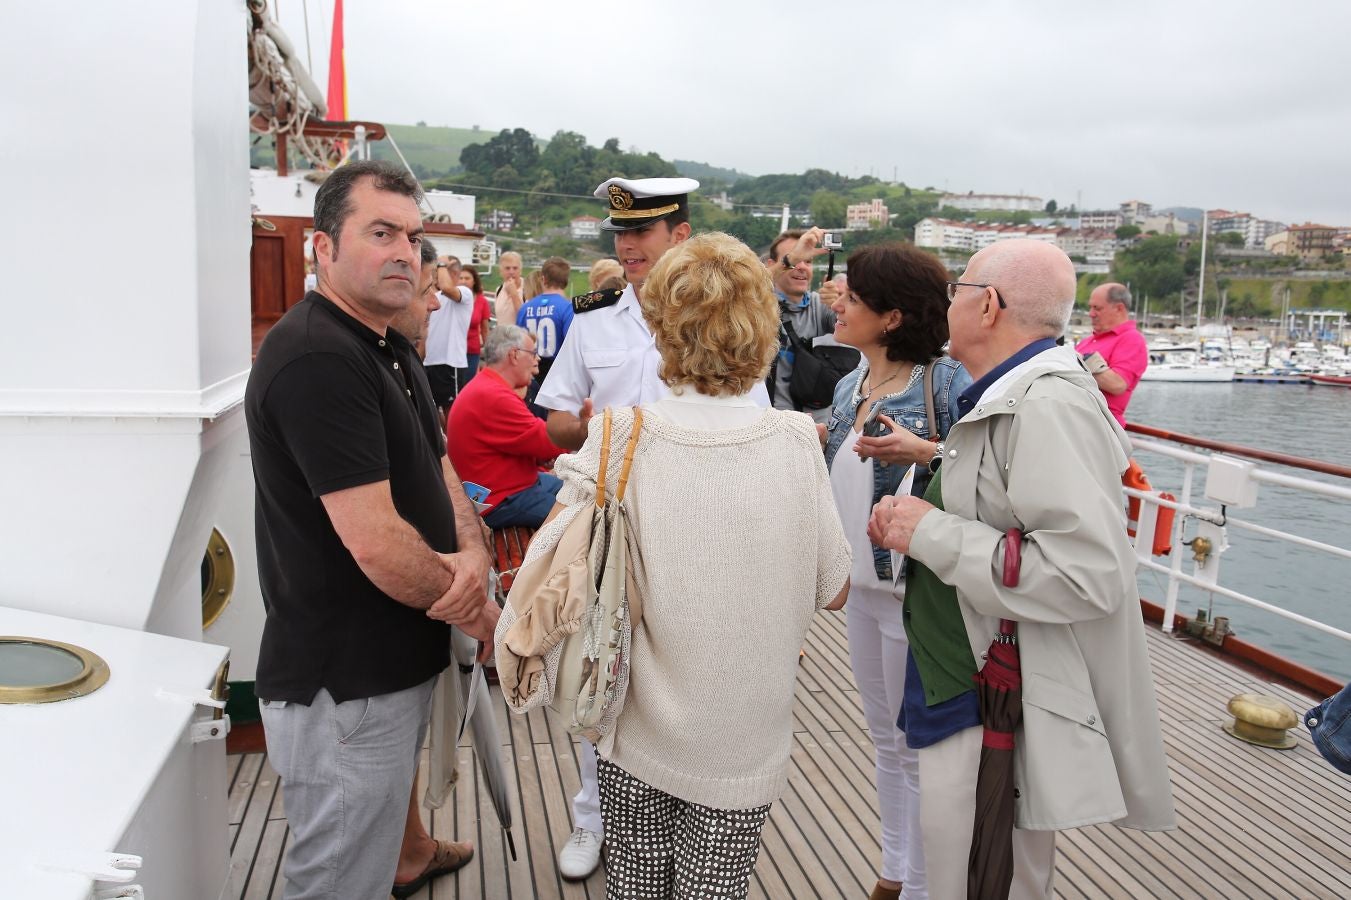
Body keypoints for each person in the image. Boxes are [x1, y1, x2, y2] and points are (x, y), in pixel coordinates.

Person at [541, 232, 851, 898]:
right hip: (743, 736)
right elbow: (834, 588)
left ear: (661, 330)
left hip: (634, 726)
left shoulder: (617, 435)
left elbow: (562, 570)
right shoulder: (795, 441)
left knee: (635, 884)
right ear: (763, 330)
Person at [867, 239, 1176, 899]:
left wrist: (930, 532)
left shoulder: (1046, 405)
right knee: (962, 867)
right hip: (967, 679)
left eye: (958, 288)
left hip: (992, 696)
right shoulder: (1009, 395)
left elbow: (1084, 572)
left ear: (989, 306)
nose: (948, 301)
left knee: (986, 878)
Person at [245, 160, 499, 899]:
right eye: (380, 233)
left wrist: (472, 555)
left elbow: (438, 463)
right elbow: (377, 544)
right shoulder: (320, 359)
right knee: (335, 881)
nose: (404, 253)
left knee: (369, 844)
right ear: (322, 249)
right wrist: (478, 609)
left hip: (385, 665)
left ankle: (409, 853)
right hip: (343, 686)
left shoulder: (383, 343)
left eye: (414, 238)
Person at [533, 175, 771, 880]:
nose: (627, 245)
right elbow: (555, 418)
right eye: (620, 234)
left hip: (695, 527)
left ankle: (666, 804)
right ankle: (591, 818)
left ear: (678, 236)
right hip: (611, 519)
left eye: (641, 232)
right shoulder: (593, 316)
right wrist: (606, 429)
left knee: (681, 674)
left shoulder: (715, 317)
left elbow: (751, 420)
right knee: (594, 667)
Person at [821, 244, 971, 900]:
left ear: (889, 317)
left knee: (915, 746)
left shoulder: (943, 385)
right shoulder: (845, 386)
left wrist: (926, 448)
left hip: (918, 594)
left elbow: (988, 471)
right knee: (883, 738)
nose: (838, 302)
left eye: (852, 296)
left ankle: (916, 885)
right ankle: (893, 870)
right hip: (861, 590)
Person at [446, 325, 568, 529]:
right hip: (502, 500)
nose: (537, 360)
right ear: (514, 355)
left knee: (578, 491)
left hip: (507, 489)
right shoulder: (493, 395)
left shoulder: (486, 386)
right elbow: (548, 440)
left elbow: (527, 442)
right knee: (582, 515)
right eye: (533, 353)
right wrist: (581, 428)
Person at [765, 227, 842, 424]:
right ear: (773, 265)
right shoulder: (756, 306)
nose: (801, 266)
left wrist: (841, 303)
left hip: (815, 428)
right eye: (794, 259)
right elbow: (739, 290)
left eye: (807, 261)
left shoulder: (820, 305)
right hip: (771, 424)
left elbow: (855, 327)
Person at [1075, 282, 1148, 425]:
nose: (1091, 313)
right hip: (1075, 423)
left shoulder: (1132, 339)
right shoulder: (1088, 341)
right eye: (1090, 307)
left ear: (1119, 308)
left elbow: (1117, 384)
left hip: (1098, 429)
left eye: (1097, 308)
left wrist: (1079, 362)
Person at [424, 255, 474, 412]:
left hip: (450, 362)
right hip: (430, 361)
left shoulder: (465, 293)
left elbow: (446, 287)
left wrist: (441, 263)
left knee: (451, 410)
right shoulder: (435, 297)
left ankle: (451, 438)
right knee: (431, 409)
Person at [516, 256, 574, 384]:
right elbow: (571, 345)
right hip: (556, 373)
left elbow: (517, 342)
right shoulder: (567, 308)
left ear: (543, 279)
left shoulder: (525, 308)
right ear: (566, 280)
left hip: (530, 371)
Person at [460, 264, 492, 384]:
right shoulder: (451, 299)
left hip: (472, 350)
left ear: (474, 281)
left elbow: (485, 330)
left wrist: (489, 355)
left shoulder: (481, 301)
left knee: (468, 384)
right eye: (460, 278)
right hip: (452, 350)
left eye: (467, 278)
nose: (463, 281)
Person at [492, 250, 525, 323]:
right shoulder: (499, 290)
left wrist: (514, 294)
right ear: (501, 271)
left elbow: (525, 317)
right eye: (507, 268)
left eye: (515, 268)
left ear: (520, 270)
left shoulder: (528, 288)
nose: (511, 272)